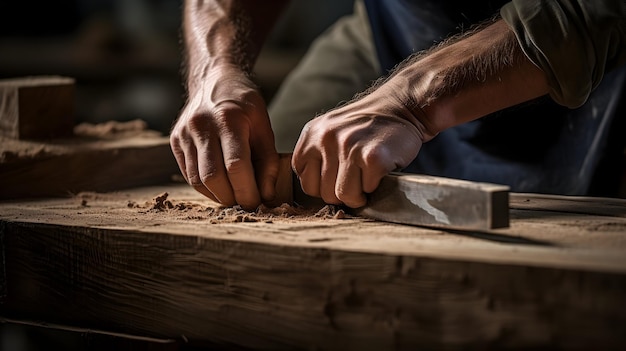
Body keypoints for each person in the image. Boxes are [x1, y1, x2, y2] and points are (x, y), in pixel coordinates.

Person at [169, 0, 626, 210]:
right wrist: (216, 70)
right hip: (393, 28)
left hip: (582, 52)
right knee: (264, 177)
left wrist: (410, 103)